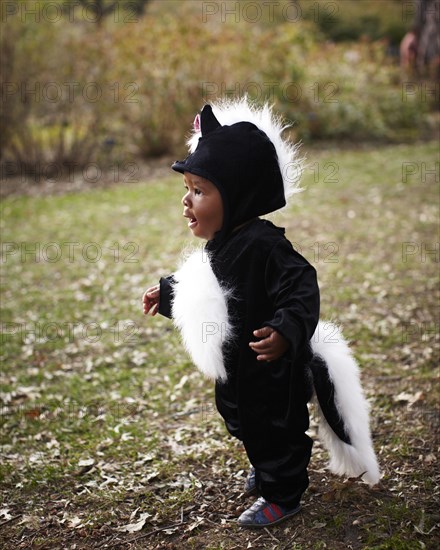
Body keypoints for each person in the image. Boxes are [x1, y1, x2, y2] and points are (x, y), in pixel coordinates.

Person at [143, 98, 380, 528]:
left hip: (272, 370)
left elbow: (301, 286)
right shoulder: (222, 244)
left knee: (275, 429)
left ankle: (283, 491)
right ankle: (266, 462)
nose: (186, 201)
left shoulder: (266, 245)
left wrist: (287, 330)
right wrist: (167, 293)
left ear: (237, 196)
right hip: (239, 369)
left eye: (199, 191)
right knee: (243, 421)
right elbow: (210, 291)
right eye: (187, 189)